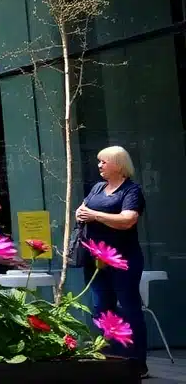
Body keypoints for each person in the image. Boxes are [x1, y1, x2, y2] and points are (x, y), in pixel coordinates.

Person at [77, 146, 147, 376]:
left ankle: (136, 363)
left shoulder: (131, 191)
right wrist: (82, 214)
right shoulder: (97, 187)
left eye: (103, 162)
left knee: (129, 308)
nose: (99, 166)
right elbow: (82, 209)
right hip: (96, 260)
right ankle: (110, 360)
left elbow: (127, 220)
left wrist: (95, 216)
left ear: (118, 164)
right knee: (101, 309)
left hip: (123, 260)